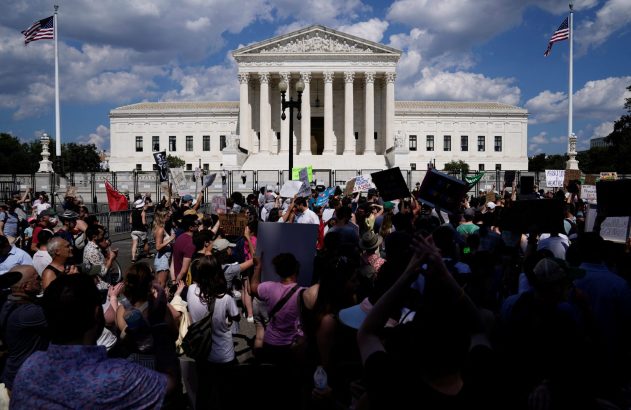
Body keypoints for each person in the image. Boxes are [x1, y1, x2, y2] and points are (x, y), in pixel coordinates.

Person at [10, 274, 168, 409]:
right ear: (97, 313)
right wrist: (160, 323)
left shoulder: (29, 368)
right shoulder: (120, 375)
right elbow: (167, 388)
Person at [187, 256, 241, 409]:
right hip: (223, 354)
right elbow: (235, 316)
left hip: (202, 351)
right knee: (226, 394)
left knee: (204, 391)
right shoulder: (225, 298)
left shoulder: (191, 291)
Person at [0, 265, 47, 393]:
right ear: (26, 286)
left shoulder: (8, 303)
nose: (41, 281)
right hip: (26, 380)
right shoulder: (28, 313)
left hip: (16, 373)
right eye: (37, 278)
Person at [153, 209, 175, 288]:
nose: (169, 217)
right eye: (168, 216)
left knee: (162, 284)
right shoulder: (160, 229)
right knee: (161, 285)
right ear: (163, 217)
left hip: (165, 258)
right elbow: (158, 247)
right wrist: (170, 239)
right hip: (162, 259)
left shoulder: (162, 228)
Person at [130, 198, 150, 263]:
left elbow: (130, 221)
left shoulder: (132, 212)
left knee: (134, 244)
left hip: (133, 230)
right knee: (145, 242)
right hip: (141, 230)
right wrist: (147, 225)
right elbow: (144, 222)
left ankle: (133, 258)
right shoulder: (142, 212)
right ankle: (147, 254)